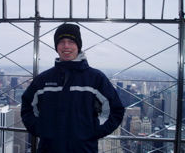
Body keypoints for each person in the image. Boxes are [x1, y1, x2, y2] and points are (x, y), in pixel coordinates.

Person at [21, 23, 125, 153]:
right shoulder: (43, 80)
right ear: (56, 46)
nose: (66, 46)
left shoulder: (95, 78)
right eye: (61, 42)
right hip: (49, 149)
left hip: (83, 149)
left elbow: (115, 110)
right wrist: (41, 128)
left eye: (71, 41)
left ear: (78, 46)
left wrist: (93, 129)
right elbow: (27, 108)